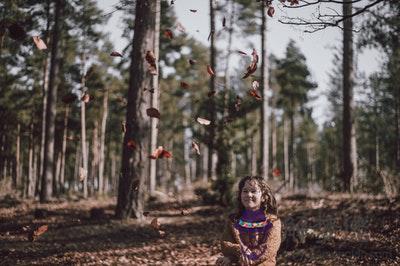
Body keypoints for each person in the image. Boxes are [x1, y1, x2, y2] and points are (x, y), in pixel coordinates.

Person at [216, 176, 282, 266]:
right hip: (239, 262)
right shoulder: (233, 220)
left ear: (263, 197)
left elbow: (269, 248)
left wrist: (249, 256)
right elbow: (226, 244)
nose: (249, 195)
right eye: (245, 191)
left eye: (253, 191)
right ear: (240, 195)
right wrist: (237, 254)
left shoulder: (273, 222)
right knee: (222, 262)